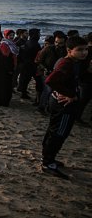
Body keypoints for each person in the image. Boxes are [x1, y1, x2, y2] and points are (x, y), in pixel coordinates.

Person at [41, 36, 89, 179]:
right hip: (63, 105)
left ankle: (48, 158)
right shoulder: (66, 63)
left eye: (86, 49)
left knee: (55, 130)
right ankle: (47, 162)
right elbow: (50, 80)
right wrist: (70, 95)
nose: (84, 53)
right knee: (59, 133)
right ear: (69, 50)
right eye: (80, 50)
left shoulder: (74, 62)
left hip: (59, 102)